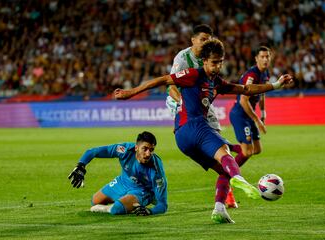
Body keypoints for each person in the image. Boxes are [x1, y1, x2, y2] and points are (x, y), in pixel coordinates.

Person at [113, 39, 293, 223]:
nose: (218, 66)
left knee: (223, 171)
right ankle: (239, 178)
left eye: (221, 61)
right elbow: (164, 79)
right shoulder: (193, 74)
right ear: (204, 61)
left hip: (183, 139)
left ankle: (219, 209)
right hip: (193, 125)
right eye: (214, 62)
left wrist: (277, 85)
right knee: (226, 153)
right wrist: (131, 92)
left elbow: (246, 89)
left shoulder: (217, 82)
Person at [166, 24, 237, 208]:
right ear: (193, 40)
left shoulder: (211, 59)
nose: (206, 42)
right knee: (214, 150)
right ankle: (228, 189)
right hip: (183, 102)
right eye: (202, 39)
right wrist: (182, 101)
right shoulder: (182, 58)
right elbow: (170, 85)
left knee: (219, 147)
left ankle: (227, 189)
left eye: (208, 39)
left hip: (203, 103)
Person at [68, 131, 168, 216]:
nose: (148, 154)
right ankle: (127, 203)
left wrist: (150, 211)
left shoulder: (156, 170)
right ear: (136, 147)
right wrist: (81, 165)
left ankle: (139, 201)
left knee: (116, 210)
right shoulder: (124, 150)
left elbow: (163, 205)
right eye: (145, 149)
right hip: (123, 182)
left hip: (142, 190)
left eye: (151, 150)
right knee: (95, 201)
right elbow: (93, 151)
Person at [229, 46, 272, 170]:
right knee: (247, 152)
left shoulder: (266, 73)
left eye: (267, 57)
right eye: (262, 57)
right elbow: (243, 100)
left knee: (257, 149)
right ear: (256, 59)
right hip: (240, 115)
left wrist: (263, 112)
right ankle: (227, 174)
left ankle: (228, 147)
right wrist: (257, 120)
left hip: (249, 115)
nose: (265, 59)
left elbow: (262, 93)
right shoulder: (252, 75)